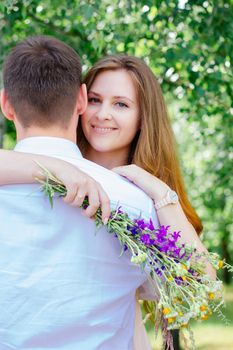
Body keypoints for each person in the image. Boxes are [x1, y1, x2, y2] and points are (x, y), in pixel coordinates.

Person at [0, 48, 215, 348]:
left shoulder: (142, 204)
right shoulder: (21, 174)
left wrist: (162, 195)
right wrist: (54, 167)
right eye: (96, 100)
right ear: (81, 101)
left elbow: (198, 284)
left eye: (121, 104)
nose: (103, 114)